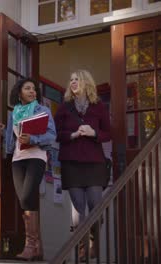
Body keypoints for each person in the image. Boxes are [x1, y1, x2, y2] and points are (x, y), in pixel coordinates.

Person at [54, 69, 111, 259]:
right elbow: (57, 133)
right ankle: (82, 247)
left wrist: (93, 133)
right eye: (71, 79)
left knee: (95, 204)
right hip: (71, 162)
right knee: (78, 208)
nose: (73, 82)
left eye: (76, 79)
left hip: (94, 163)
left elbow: (108, 133)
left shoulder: (98, 106)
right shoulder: (64, 107)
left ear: (86, 82)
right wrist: (73, 134)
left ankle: (93, 239)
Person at [3, 78, 56, 261]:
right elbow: (12, 138)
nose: (32, 91)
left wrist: (32, 139)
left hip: (36, 157)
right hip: (18, 159)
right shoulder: (14, 114)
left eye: (34, 89)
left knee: (26, 197)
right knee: (26, 200)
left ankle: (30, 245)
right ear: (19, 93)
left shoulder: (43, 111)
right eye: (27, 88)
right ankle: (37, 247)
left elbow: (51, 135)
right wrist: (5, 134)